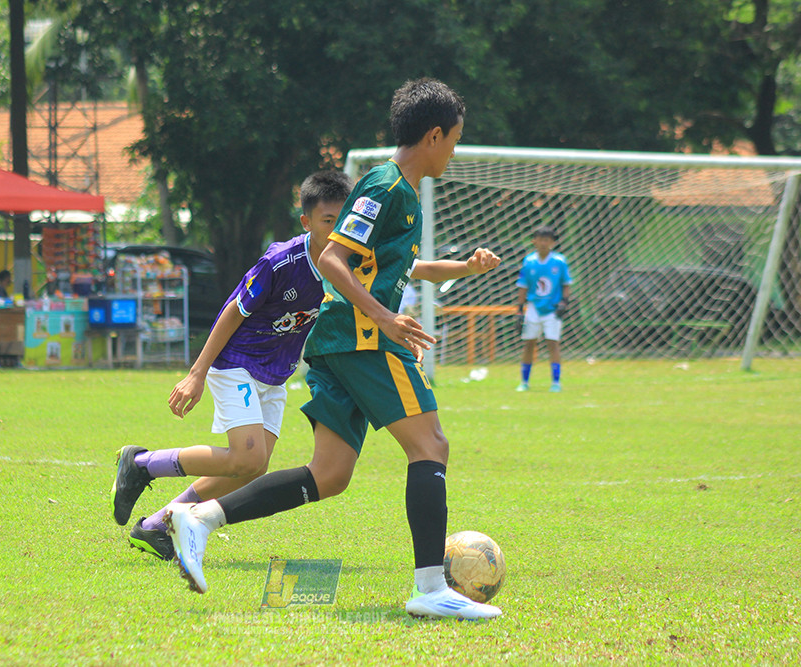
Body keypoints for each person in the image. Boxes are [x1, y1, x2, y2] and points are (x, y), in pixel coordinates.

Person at [161, 78, 504, 620]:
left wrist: (460, 268)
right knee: (431, 445)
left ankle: (200, 518)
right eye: (455, 139)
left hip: (341, 343)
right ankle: (431, 587)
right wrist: (384, 316)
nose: (456, 151)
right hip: (362, 341)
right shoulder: (385, 188)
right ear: (434, 135)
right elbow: (331, 262)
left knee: (330, 474)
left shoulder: (398, 193)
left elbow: (380, 264)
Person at [111, 170, 355, 560]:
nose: (337, 230)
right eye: (328, 222)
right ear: (307, 222)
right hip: (237, 363)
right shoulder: (280, 262)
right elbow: (232, 311)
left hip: (275, 375)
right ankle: (141, 464)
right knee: (246, 457)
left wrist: (458, 268)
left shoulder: (347, 259)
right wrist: (197, 373)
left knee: (251, 468)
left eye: (343, 222)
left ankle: (157, 525)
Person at [514, 226, 572, 392]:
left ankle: (556, 382)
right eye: (540, 239)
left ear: (552, 242)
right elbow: (523, 286)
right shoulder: (529, 261)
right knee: (528, 343)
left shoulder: (560, 261)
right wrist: (519, 309)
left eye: (547, 240)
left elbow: (566, 284)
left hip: (552, 308)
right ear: (534, 241)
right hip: (533, 307)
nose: (543, 243)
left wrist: (564, 302)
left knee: (553, 343)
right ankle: (524, 382)